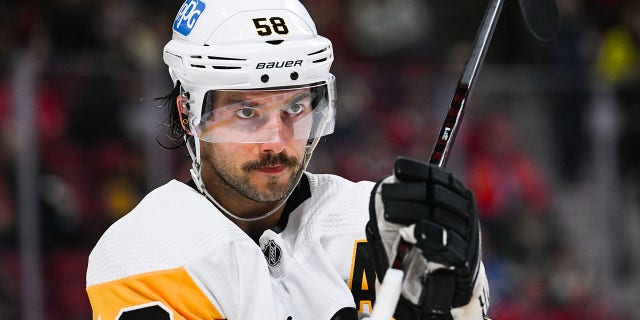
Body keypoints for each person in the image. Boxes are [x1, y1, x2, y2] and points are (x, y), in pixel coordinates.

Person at [85, 0, 490, 319]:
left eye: (295, 109)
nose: (276, 142)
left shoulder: (375, 222)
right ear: (187, 114)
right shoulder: (146, 253)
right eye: (246, 114)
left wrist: (464, 302)